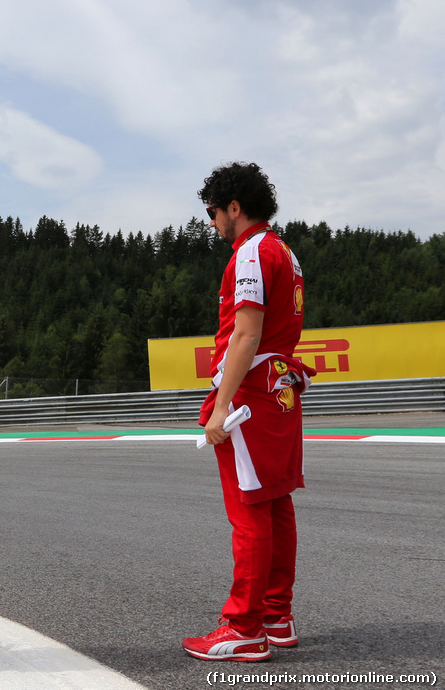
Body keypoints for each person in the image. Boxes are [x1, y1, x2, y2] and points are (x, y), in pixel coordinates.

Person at [183, 163, 315, 662]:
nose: (213, 222)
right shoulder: (284, 250)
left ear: (234, 208)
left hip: (252, 394)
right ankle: (276, 615)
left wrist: (219, 406)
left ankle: (243, 626)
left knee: (249, 510)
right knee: (276, 502)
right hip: (278, 388)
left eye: (214, 212)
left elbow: (246, 333)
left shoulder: (252, 252)